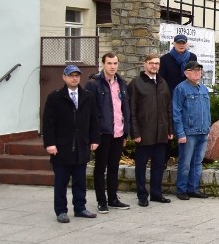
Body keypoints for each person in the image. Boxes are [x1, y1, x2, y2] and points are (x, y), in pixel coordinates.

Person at [42, 65, 101, 223]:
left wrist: (95, 139)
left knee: (80, 180)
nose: (74, 78)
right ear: (64, 77)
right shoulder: (55, 97)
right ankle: (61, 210)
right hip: (62, 147)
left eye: (77, 75)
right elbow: (48, 123)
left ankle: (80, 207)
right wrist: (50, 143)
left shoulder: (87, 96)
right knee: (61, 181)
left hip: (81, 146)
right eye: (71, 75)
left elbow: (94, 120)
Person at [86, 52, 131, 213]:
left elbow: (125, 108)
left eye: (115, 63)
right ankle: (101, 201)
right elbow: (89, 111)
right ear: (103, 64)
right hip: (102, 133)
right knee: (100, 167)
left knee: (114, 167)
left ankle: (113, 198)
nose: (113, 66)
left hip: (118, 132)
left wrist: (126, 132)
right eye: (109, 63)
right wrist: (93, 135)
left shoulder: (121, 83)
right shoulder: (94, 84)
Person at [128, 53, 173, 206]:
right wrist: (135, 132)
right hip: (144, 134)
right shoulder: (136, 84)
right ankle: (142, 195)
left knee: (158, 166)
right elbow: (131, 110)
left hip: (161, 134)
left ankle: (156, 193)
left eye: (157, 63)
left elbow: (168, 108)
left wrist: (170, 129)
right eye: (151, 63)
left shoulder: (163, 83)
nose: (154, 66)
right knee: (140, 166)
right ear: (145, 64)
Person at [172, 60, 211, 200]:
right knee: (185, 162)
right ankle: (182, 189)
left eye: (199, 70)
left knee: (197, 162)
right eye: (194, 71)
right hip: (189, 133)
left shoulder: (204, 89)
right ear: (186, 73)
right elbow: (176, 112)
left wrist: (208, 127)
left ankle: (194, 188)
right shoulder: (181, 89)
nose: (197, 73)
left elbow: (207, 110)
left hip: (202, 132)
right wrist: (180, 133)